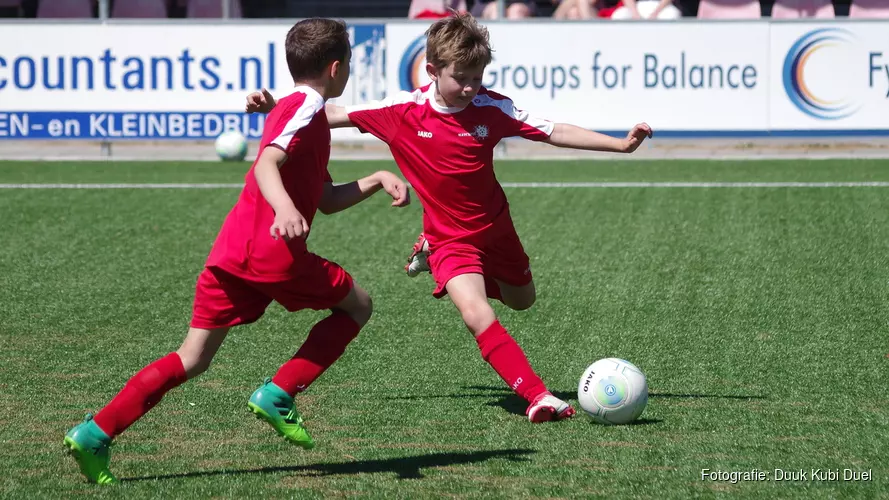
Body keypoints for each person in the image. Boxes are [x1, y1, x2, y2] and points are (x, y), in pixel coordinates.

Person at [246, 12, 652, 424]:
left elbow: (554, 130)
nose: (471, 87)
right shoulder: (401, 110)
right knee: (478, 314)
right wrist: (276, 107)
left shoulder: (491, 108)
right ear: (433, 70)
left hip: (497, 231)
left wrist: (621, 145)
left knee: (522, 301)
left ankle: (434, 255)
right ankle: (538, 396)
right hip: (450, 239)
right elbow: (330, 113)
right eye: (462, 77)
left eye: (478, 76)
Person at [63, 18, 410, 485]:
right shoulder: (306, 109)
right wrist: (284, 208)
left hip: (232, 252)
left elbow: (326, 200)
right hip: (272, 252)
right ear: (336, 68)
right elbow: (267, 161)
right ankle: (280, 393)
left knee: (193, 358)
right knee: (358, 306)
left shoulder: (297, 107)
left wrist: (374, 178)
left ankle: (94, 432)